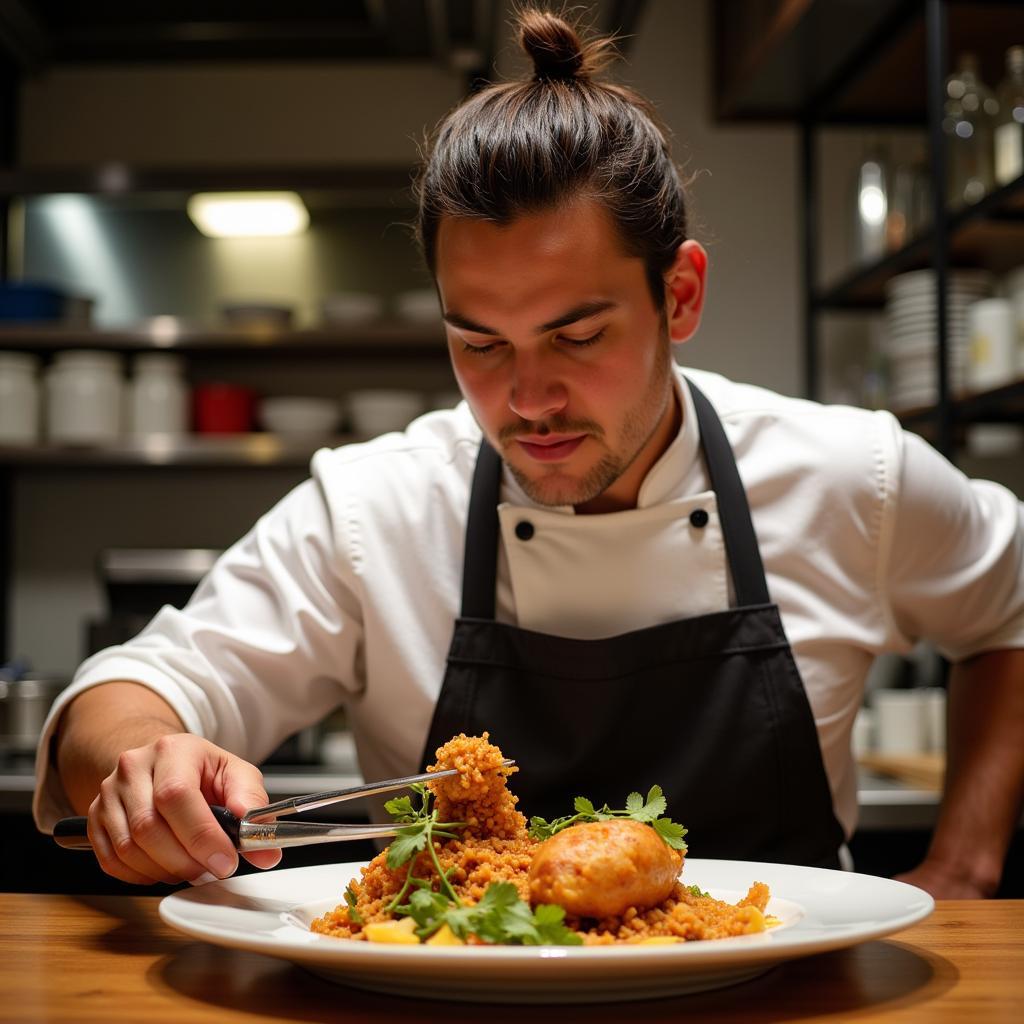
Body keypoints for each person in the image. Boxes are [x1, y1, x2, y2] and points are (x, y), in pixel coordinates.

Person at [35, 8, 1024, 897]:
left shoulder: (852, 476)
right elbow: (132, 691)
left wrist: (968, 862)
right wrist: (144, 760)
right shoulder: (374, 508)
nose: (528, 400)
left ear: (678, 295)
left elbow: (1008, 608)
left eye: (579, 336)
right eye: (478, 345)